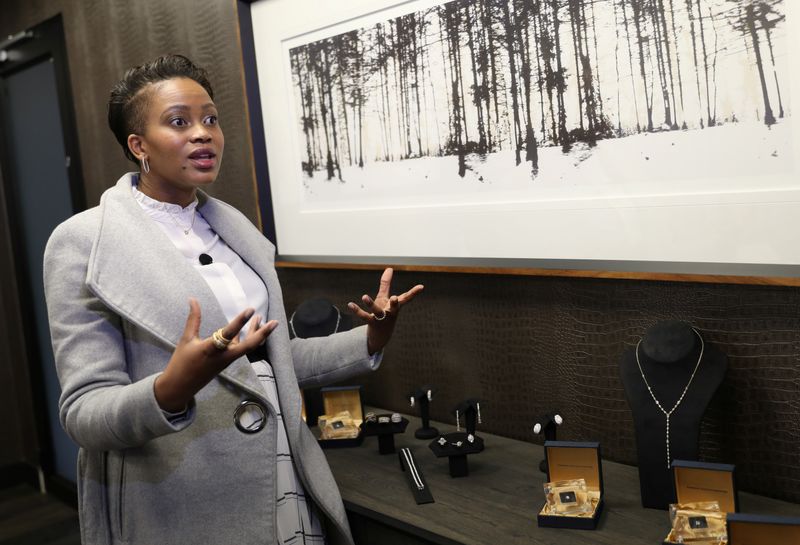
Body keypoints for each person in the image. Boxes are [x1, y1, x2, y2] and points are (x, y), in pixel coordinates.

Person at [43, 54, 423, 545]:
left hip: (282, 468)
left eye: (210, 119)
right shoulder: (83, 242)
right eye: (179, 122)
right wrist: (170, 389)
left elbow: (268, 362)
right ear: (139, 145)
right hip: (180, 498)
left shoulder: (235, 230)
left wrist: (370, 337)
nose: (203, 133)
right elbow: (83, 413)